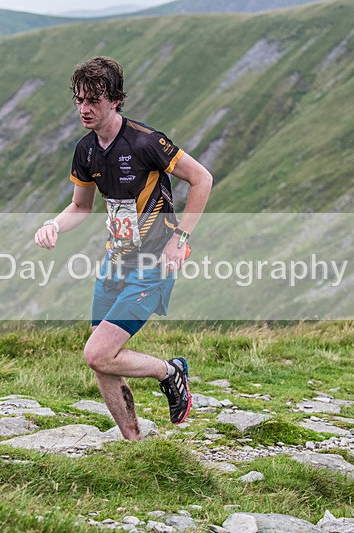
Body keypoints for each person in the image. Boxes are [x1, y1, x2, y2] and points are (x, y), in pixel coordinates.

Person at [34, 56, 212, 440]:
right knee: (103, 363)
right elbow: (80, 207)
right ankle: (134, 444)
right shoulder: (85, 151)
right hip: (115, 262)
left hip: (153, 262)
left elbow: (202, 179)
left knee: (96, 353)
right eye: (79, 100)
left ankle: (170, 372)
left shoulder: (146, 141)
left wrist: (182, 239)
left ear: (115, 100)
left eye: (93, 100)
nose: (84, 108)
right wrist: (52, 225)